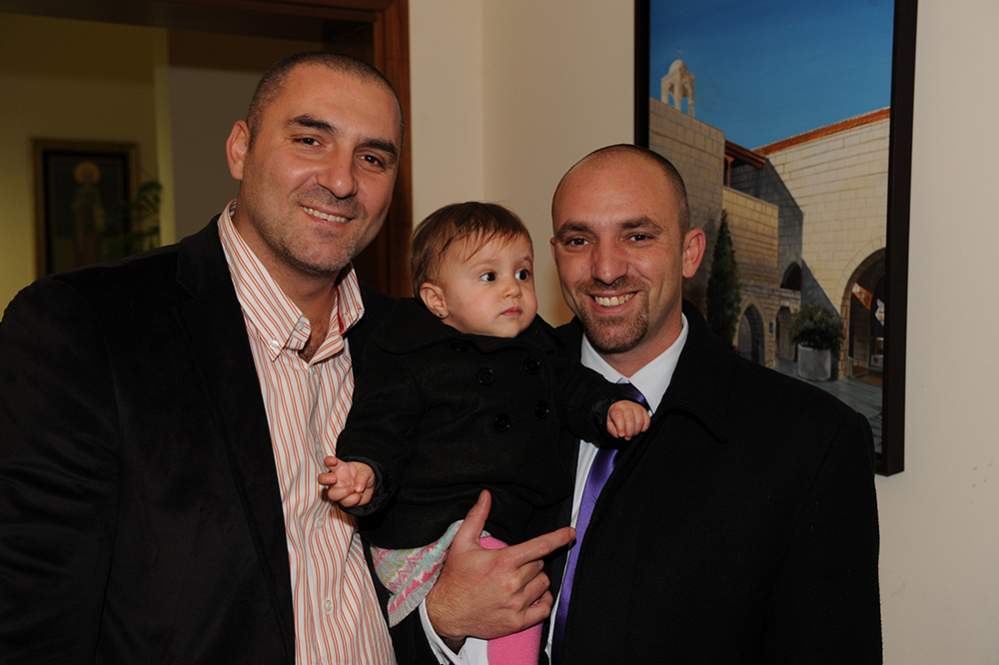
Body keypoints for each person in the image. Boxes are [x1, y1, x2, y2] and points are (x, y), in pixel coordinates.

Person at [0, 52, 568, 665]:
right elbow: (33, 618)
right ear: (240, 149)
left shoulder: (416, 337)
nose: (342, 181)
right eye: (310, 140)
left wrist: (441, 618)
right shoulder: (89, 326)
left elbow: (395, 573)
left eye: (372, 158)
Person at [540, 144, 883, 663]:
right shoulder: (489, 390)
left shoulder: (812, 443)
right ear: (555, 253)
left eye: (638, 236)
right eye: (578, 240)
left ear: (690, 252)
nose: (605, 268)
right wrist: (444, 621)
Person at [318, 202, 649, 664]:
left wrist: (608, 406)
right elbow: (380, 424)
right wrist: (364, 470)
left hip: (503, 525)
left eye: (523, 273)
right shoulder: (410, 354)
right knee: (519, 605)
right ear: (437, 300)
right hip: (430, 529)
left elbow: (575, 387)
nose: (513, 288)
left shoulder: (538, 347)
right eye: (489, 277)